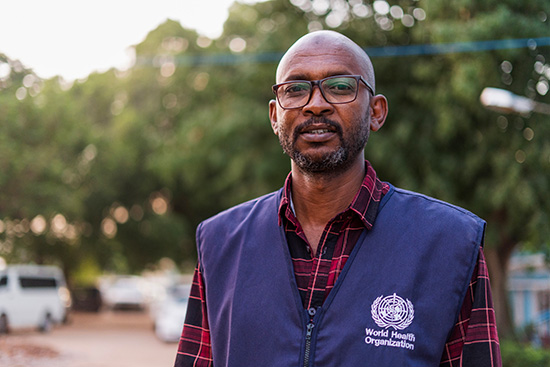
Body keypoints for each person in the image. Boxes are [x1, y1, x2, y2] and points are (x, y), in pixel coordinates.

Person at [174, 31, 501, 367]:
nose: (315, 104)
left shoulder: (451, 243)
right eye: (295, 89)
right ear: (275, 116)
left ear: (376, 112)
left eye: (340, 86)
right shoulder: (219, 242)